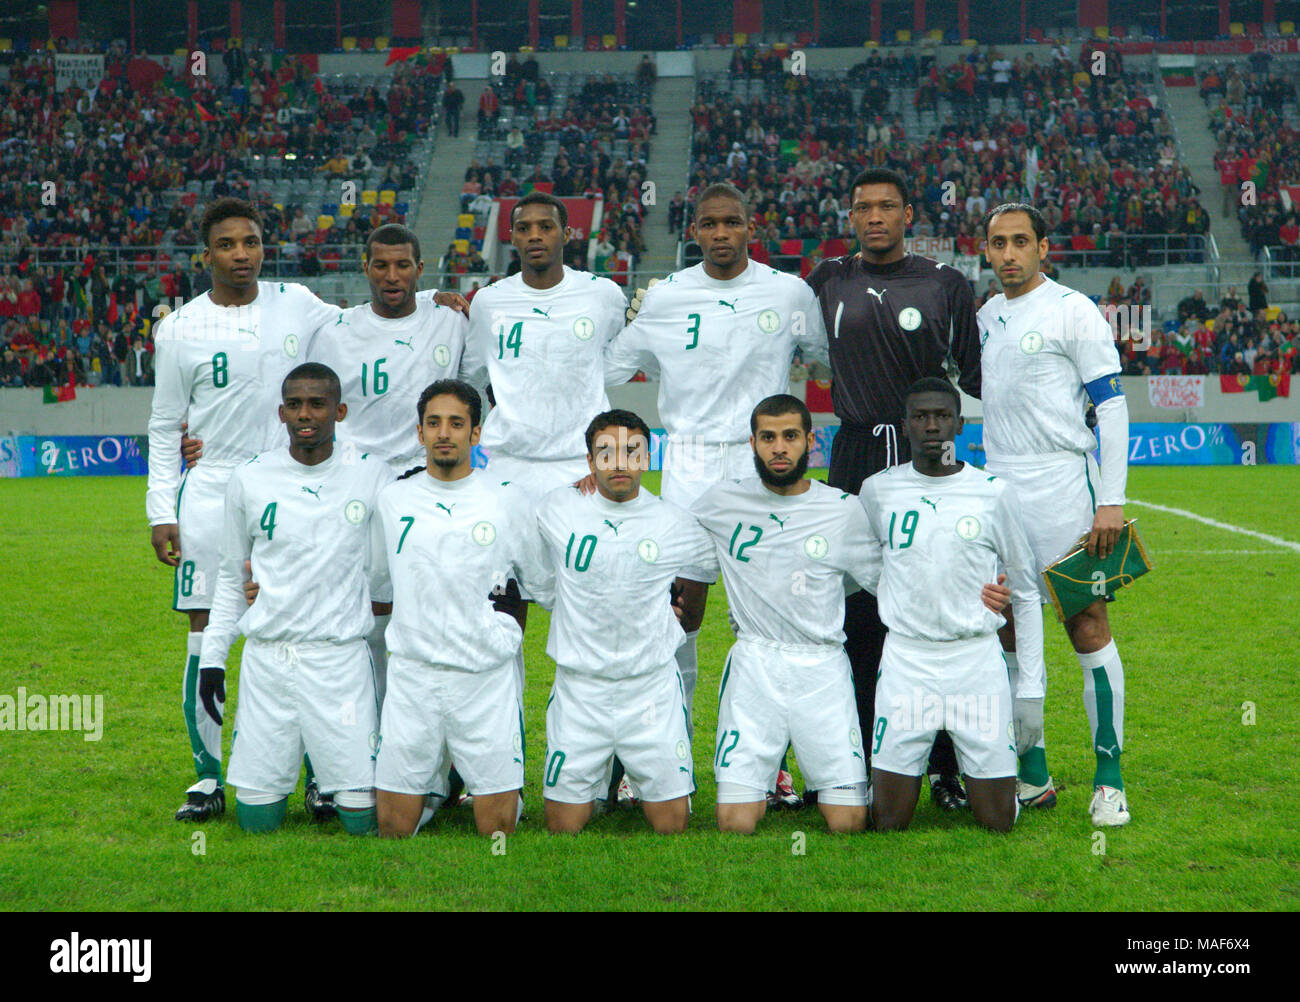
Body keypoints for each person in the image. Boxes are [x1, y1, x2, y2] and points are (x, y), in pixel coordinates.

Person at [604, 182, 829, 807]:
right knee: (679, 618)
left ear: (750, 226)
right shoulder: (668, 297)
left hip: (767, 464)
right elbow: (609, 368)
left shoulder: (788, 292)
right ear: (693, 230)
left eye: (733, 222)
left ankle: (774, 765)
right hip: (692, 467)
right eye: (710, 224)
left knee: (772, 619)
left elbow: (823, 359)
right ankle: (658, 760)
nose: (722, 233)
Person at [692, 394, 1013, 834]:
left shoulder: (843, 509)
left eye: (790, 436)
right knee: (735, 823)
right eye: (768, 437)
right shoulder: (719, 504)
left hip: (823, 667)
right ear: (752, 442)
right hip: (756, 664)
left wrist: (977, 589)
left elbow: (892, 573)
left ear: (810, 440)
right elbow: (664, 538)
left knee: (848, 822)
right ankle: (756, 786)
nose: (779, 448)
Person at [146, 197, 341, 823]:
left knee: (309, 626)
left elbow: (367, 324)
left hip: (291, 484)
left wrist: (439, 304)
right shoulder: (178, 328)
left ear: (264, 248)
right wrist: (160, 508)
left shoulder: (298, 303)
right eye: (227, 245)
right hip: (213, 488)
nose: (241, 255)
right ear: (206, 256)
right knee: (208, 628)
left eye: (251, 242)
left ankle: (322, 775)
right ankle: (208, 776)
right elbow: (161, 425)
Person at [804, 166, 983, 810]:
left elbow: (983, 373)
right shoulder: (827, 280)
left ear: (909, 214)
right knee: (851, 611)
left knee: (934, 600)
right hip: (853, 451)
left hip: (925, 450)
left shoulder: (946, 285)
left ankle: (944, 764)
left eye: (886, 206)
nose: (874, 216)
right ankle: (857, 759)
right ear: (850, 217)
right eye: (862, 207)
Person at [978, 202, 1133, 826]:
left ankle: (1109, 777)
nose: (1008, 254)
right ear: (985, 251)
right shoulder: (984, 316)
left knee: (1086, 626)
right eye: (997, 244)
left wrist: (1111, 501)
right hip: (999, 493)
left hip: (1065, 488)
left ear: (1044, 247)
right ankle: (1032, 773)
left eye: (1020, 242)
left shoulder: (1075, 311)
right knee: (1008, 631)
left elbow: (1112, 408)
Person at [198, 363, 391, 834]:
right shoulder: (249, 478)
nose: (306, 414)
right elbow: (230, 577)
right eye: (295, 404)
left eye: (317, 404)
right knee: (257, 822)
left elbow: (387, 574)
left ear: (339, 411)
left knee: (362, 821)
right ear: (280, 412)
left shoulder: (370, 475)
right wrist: (212, 658)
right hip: (269, 662)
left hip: (339, 661)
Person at [861, 378, 1045, 832]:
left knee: (997, 821)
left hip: (975, 660)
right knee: (887, 821)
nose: (931, 426)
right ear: (904, 426)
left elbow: (1023, 591)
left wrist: (1031, 689)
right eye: (920, 416)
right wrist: (903, 592)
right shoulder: (877, 490)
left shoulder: (993, 493)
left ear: (960, 424)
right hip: (908, 659)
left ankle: (997, 782)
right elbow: (864, 566)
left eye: (942, 416)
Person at [371, 380, 553, 838]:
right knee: (393, 830)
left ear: (476, 434)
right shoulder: (394, 501)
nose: (444, 433)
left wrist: (506, 626)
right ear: (419, 432)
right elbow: (376, 582)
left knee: (497, 831)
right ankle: (430, 787)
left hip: (484, 675)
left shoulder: (508, 499)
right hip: (414, 675)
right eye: (434, 423)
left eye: (457, 423)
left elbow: (541, 583)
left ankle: (484, 784)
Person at [538, 409, 717, 835]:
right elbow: (539, 579)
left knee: (672, 826)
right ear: (589, 460)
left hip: (650, 688)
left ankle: (632, 782)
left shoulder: (676, 523)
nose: (619, 462)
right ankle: (596, 787)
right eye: (606, 452)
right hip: (581, 687)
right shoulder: (556, 509)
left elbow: (698, 586)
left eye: (631, 451)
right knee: (563, 828)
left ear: (648, 457)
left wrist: (673, 610)